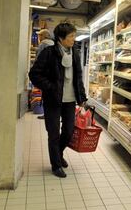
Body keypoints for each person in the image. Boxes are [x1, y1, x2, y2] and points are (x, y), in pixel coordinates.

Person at [29, 23, 87, 178]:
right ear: (61, 38)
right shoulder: (49, 53)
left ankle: (59, 154)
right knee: (53, 133)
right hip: (53, 100)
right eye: (71, 36)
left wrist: (82, 97)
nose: (74, 39)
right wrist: (51, 87)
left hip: (70, 100)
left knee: (68, 131)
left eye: (74, 36)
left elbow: (78, 77)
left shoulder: (75, 52)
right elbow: (34, 74)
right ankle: (56, 164)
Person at [35, 29, 54, 120]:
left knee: (46, 95)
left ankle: (46, 114)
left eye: (40, 35)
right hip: (53, 74)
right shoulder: (53, 44)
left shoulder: (43, 44)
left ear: (43, 36)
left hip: (45, 74)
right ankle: (51, 114)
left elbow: (38, 59)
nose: (39, 37)